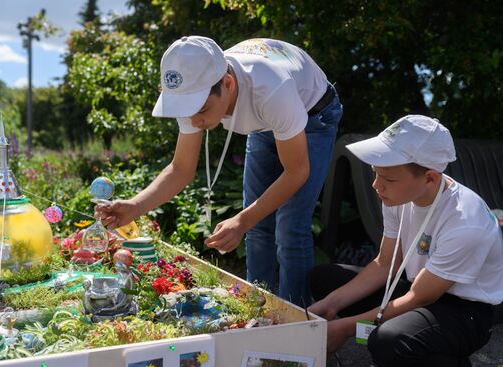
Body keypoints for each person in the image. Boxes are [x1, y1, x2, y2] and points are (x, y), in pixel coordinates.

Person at [96, 36, 343, 306]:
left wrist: (242, 221)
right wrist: (134, 207)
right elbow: (180, 169)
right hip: (265, 121)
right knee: (258, 227)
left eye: (201, 109)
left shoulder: (271, 88)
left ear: (227, 83)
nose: (194, 121)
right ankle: (256, 308)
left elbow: (297, 172)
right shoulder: (192, 90)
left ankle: (298, 324)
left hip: (312, 114)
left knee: (290, 228)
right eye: (187, 111)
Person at [307, 115, 503, 366]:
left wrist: (344, 328)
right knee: (325, 279)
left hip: (465, 311)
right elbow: (385, 263)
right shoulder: (398, 196)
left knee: (387, 340)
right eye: (375, 174)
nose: (377, 186)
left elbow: (420, 298)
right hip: (417, 287)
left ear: (430, 178)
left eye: (388, 179)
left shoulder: (465, 221)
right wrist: (329, 305)